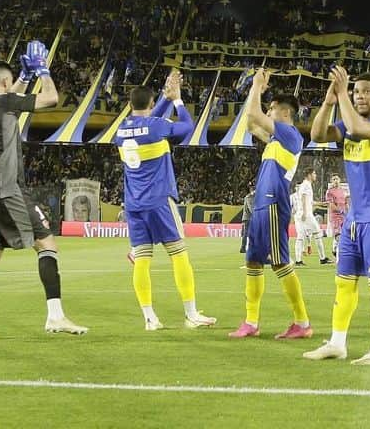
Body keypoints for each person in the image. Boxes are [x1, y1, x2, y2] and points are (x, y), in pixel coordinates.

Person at [0, 44, 87, 341]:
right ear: (4, 84)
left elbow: (11, 97)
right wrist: (43, 71)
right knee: (47, 244)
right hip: (7, 188)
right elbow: (51, 98)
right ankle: (55, 317)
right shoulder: (3, 104)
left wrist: (23, 76)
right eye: (11, 82)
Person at [303, 67, 370, 365]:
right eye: (356, 91)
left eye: (366, 91)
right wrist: (329, 99)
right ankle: (337, 343)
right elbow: (317, 133)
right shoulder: (347, 122)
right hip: (355, 218)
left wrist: (343, 92)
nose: (359, 96)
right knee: (344, 281)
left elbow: (359, 129)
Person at [114, 71, 216, 331]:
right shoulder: (156, 127)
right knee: (179, 254)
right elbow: (187, 127)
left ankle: (150, 318)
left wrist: (165, 97)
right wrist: (177, 100)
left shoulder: (121, 129)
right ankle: (191, 315)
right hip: (159, 201)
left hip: (134, 205)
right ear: (150, 104)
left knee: (142, 259)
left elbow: (148, 119)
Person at [229, 69, 313, 340]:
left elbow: (255, 117)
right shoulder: (277, 139)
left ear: (285, 112)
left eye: (272, 109)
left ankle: (302, 322)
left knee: (279, 263)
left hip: (275, 203)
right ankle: (251, 322)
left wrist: (256, 87)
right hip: (262, 205)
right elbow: (251, 123)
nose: (268, 111)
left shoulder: (290, 134)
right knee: (253, 262)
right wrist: (256, 95)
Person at [294, 169, 329, 265]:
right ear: (309, 175)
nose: (315, 175)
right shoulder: (306, 185)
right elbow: (304, 199)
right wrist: (305, 213)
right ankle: (322, 258)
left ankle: (298, 261)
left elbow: (310, 201)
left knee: (300, 237)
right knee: (318, 233)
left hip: (300, 214)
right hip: (306, 214)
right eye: (314, 173)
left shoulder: (305, 185)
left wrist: (321, 203)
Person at [324, 173, 349, 257]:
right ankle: (339, 256)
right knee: (338, 235)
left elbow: (346, 203)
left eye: (337, 179)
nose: (336, 181)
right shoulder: (329, 192)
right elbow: (331, 205)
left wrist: (348, 212)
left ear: (340, 180)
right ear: (331, 181)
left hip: (344, 216)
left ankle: (334, 249)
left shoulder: (343, 191)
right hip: (335, 216)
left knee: (344, 234)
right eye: (334, 179)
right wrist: (340, 210)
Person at [240, 189, 254, 255]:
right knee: (246, 233)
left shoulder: (251, 197)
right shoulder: (249, 197)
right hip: (248, 218)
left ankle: (248, 247)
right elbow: (250, 208)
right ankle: (243, 248)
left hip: (249, 218)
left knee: (248, 233)